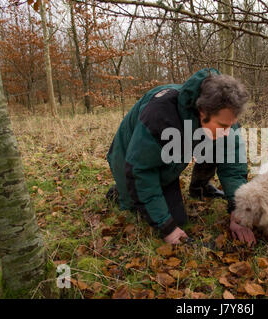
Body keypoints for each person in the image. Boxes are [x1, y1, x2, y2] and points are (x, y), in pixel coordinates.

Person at [106, 68, 256, 245]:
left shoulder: (225, 114)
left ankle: (198, 187)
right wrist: (166, 228)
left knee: (177, 218)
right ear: (202, 111)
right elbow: (140, 170)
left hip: (169, 157)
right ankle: (119, 192)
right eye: (223, 126)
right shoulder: (161, 115)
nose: (227, 132)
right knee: (158, 218)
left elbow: (232, 166)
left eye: (231, 125)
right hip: (129, 158)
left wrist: (238, 212)